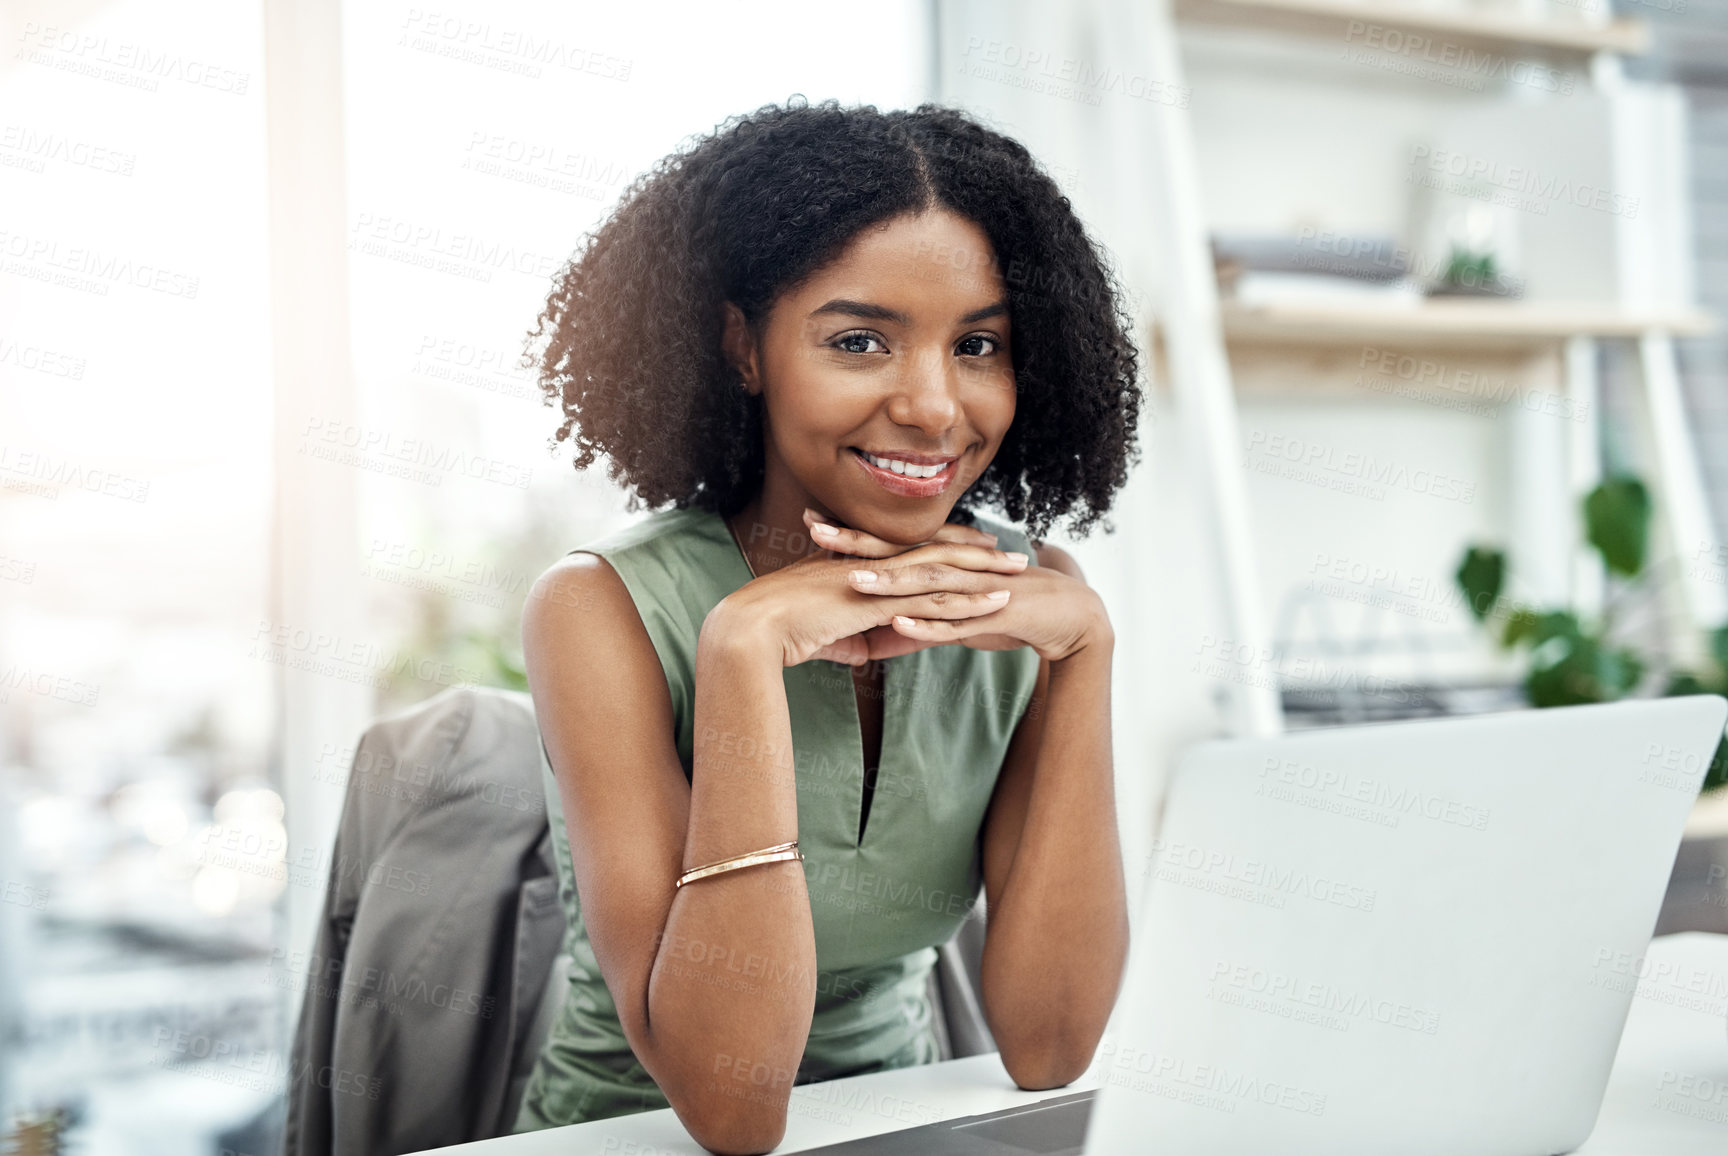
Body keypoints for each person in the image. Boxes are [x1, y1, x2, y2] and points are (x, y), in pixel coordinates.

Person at [513, 97, 1141, 1155]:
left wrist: (1086, 655)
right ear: (743, 348)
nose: (937, 406)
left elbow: (1052, 1045)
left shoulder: (1036, 604)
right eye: (860, 340)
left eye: (979, 344)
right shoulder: (599, 607)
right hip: (626, 1135)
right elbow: (732, 1107)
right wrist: (744, 651)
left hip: (901, 1127)